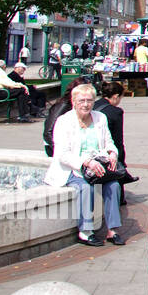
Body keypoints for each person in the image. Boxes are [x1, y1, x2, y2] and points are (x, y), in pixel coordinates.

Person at [44, 83, 125, 246]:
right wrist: (86, 162)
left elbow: (109, 142)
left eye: (89, 100)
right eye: (81, 100)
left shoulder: (100, 118)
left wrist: (112, 153)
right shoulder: (64, 121)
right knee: (84, 188)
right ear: (73, 101)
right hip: (74, 169)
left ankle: (113, 230)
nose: (86, 104)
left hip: (98, 167)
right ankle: (86, 231)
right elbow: (61, 154)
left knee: (113, 185)